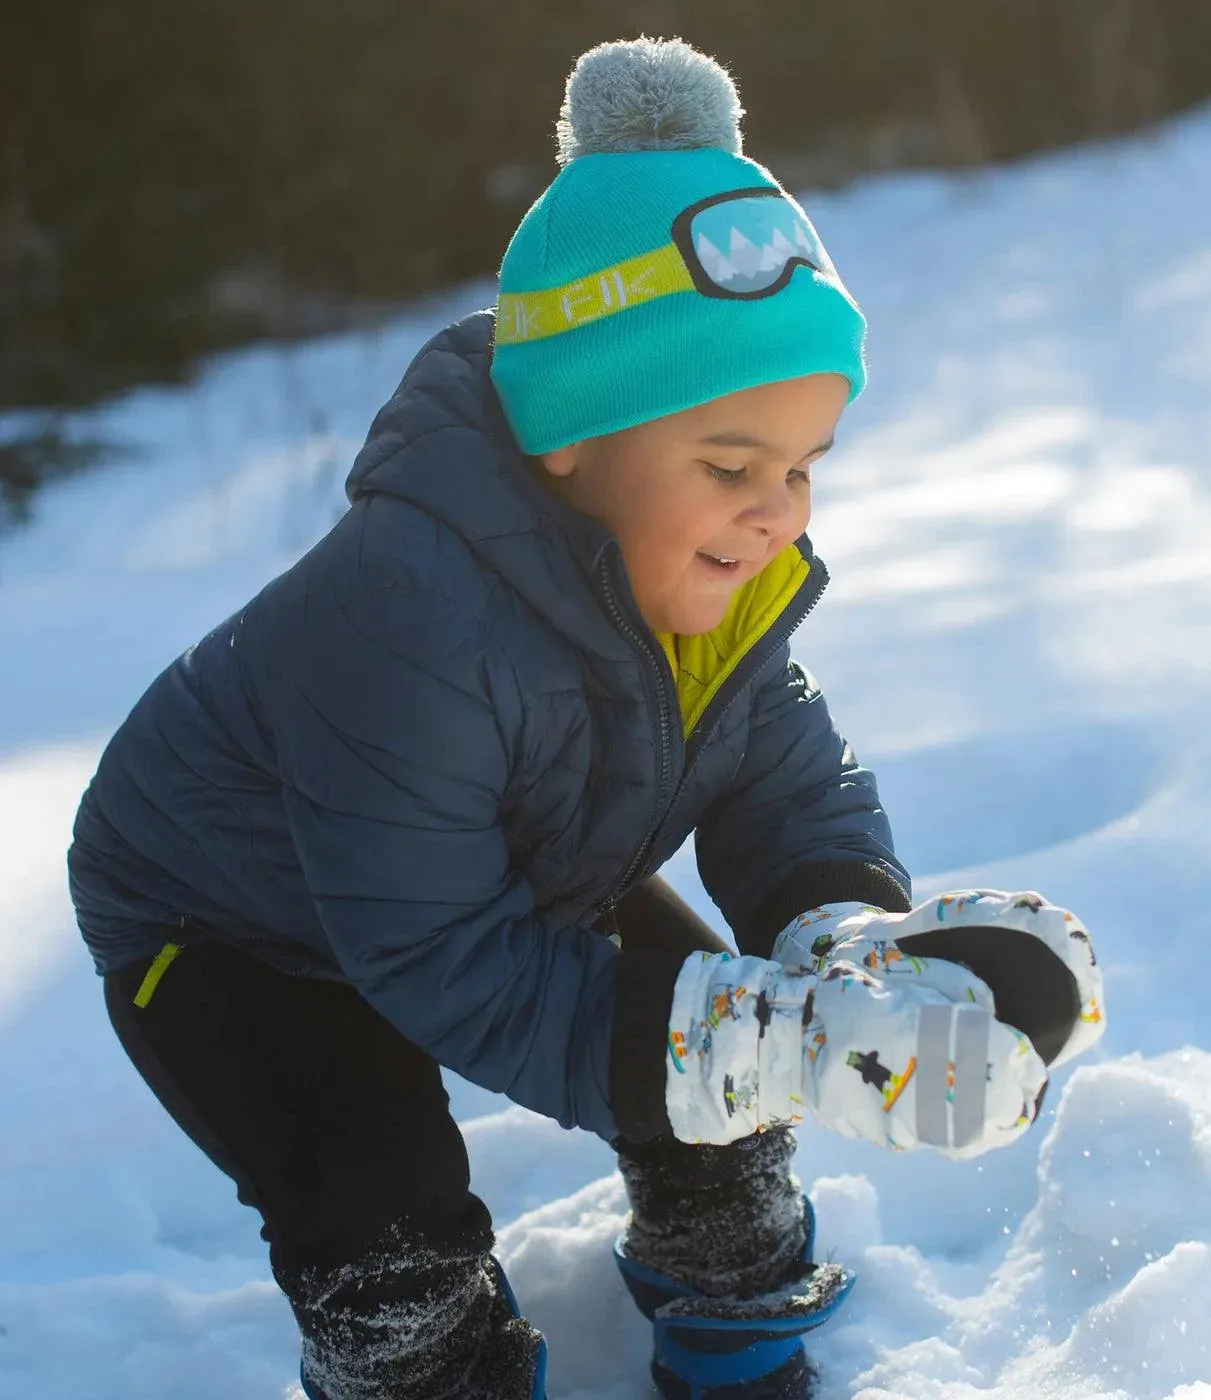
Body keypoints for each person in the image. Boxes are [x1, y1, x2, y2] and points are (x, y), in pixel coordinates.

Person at [67, 36, 1106, 1400]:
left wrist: (846, 942)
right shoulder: (410, 619)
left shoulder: (715, 599)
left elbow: (782, 779)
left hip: (511, 860)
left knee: (718, 1105)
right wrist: (752, 1036)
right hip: (233, 928)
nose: (778, 511)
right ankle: (429, 1370)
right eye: (730, 463)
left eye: (802, 466)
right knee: (383, 1205)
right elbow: (440, 950)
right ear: (572, 438)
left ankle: (731, 1304)